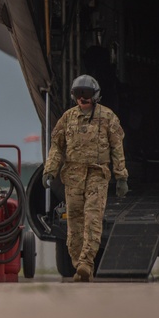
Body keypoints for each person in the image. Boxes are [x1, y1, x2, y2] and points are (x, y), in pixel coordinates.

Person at [42, 74, 129, 282]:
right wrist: (50, 170)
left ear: (95, 95)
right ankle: (78, 264)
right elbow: (57, 147)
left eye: (87, 94)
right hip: (73, 177)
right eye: (79, 94)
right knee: (74, 223)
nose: (83, 98)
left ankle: (87, 262)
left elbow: (117, 148)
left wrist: (121, 176)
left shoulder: (108, 117)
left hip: (97, 176)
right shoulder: (67, 118)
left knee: (92, 218)